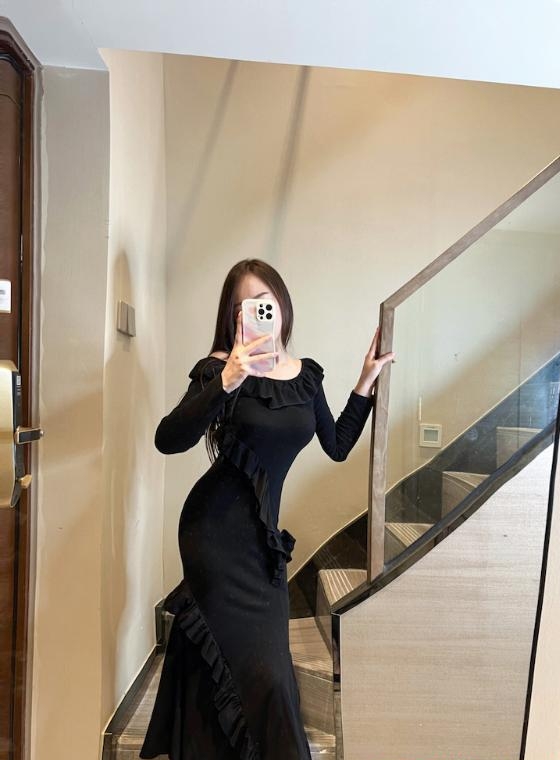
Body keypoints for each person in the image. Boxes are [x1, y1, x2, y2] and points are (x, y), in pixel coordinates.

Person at [139, 259, 395, 760]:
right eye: (243, 307)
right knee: (249, 666)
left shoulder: (305, 377)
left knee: (269, 673)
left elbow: (337, 444)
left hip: (261, 544)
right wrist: (227, 380)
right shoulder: (219, 367)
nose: (256, 312)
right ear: (232, 317)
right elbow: (168, 439)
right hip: (212, 535)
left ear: (281, 306)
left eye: (264, 302)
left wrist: (365, 382)